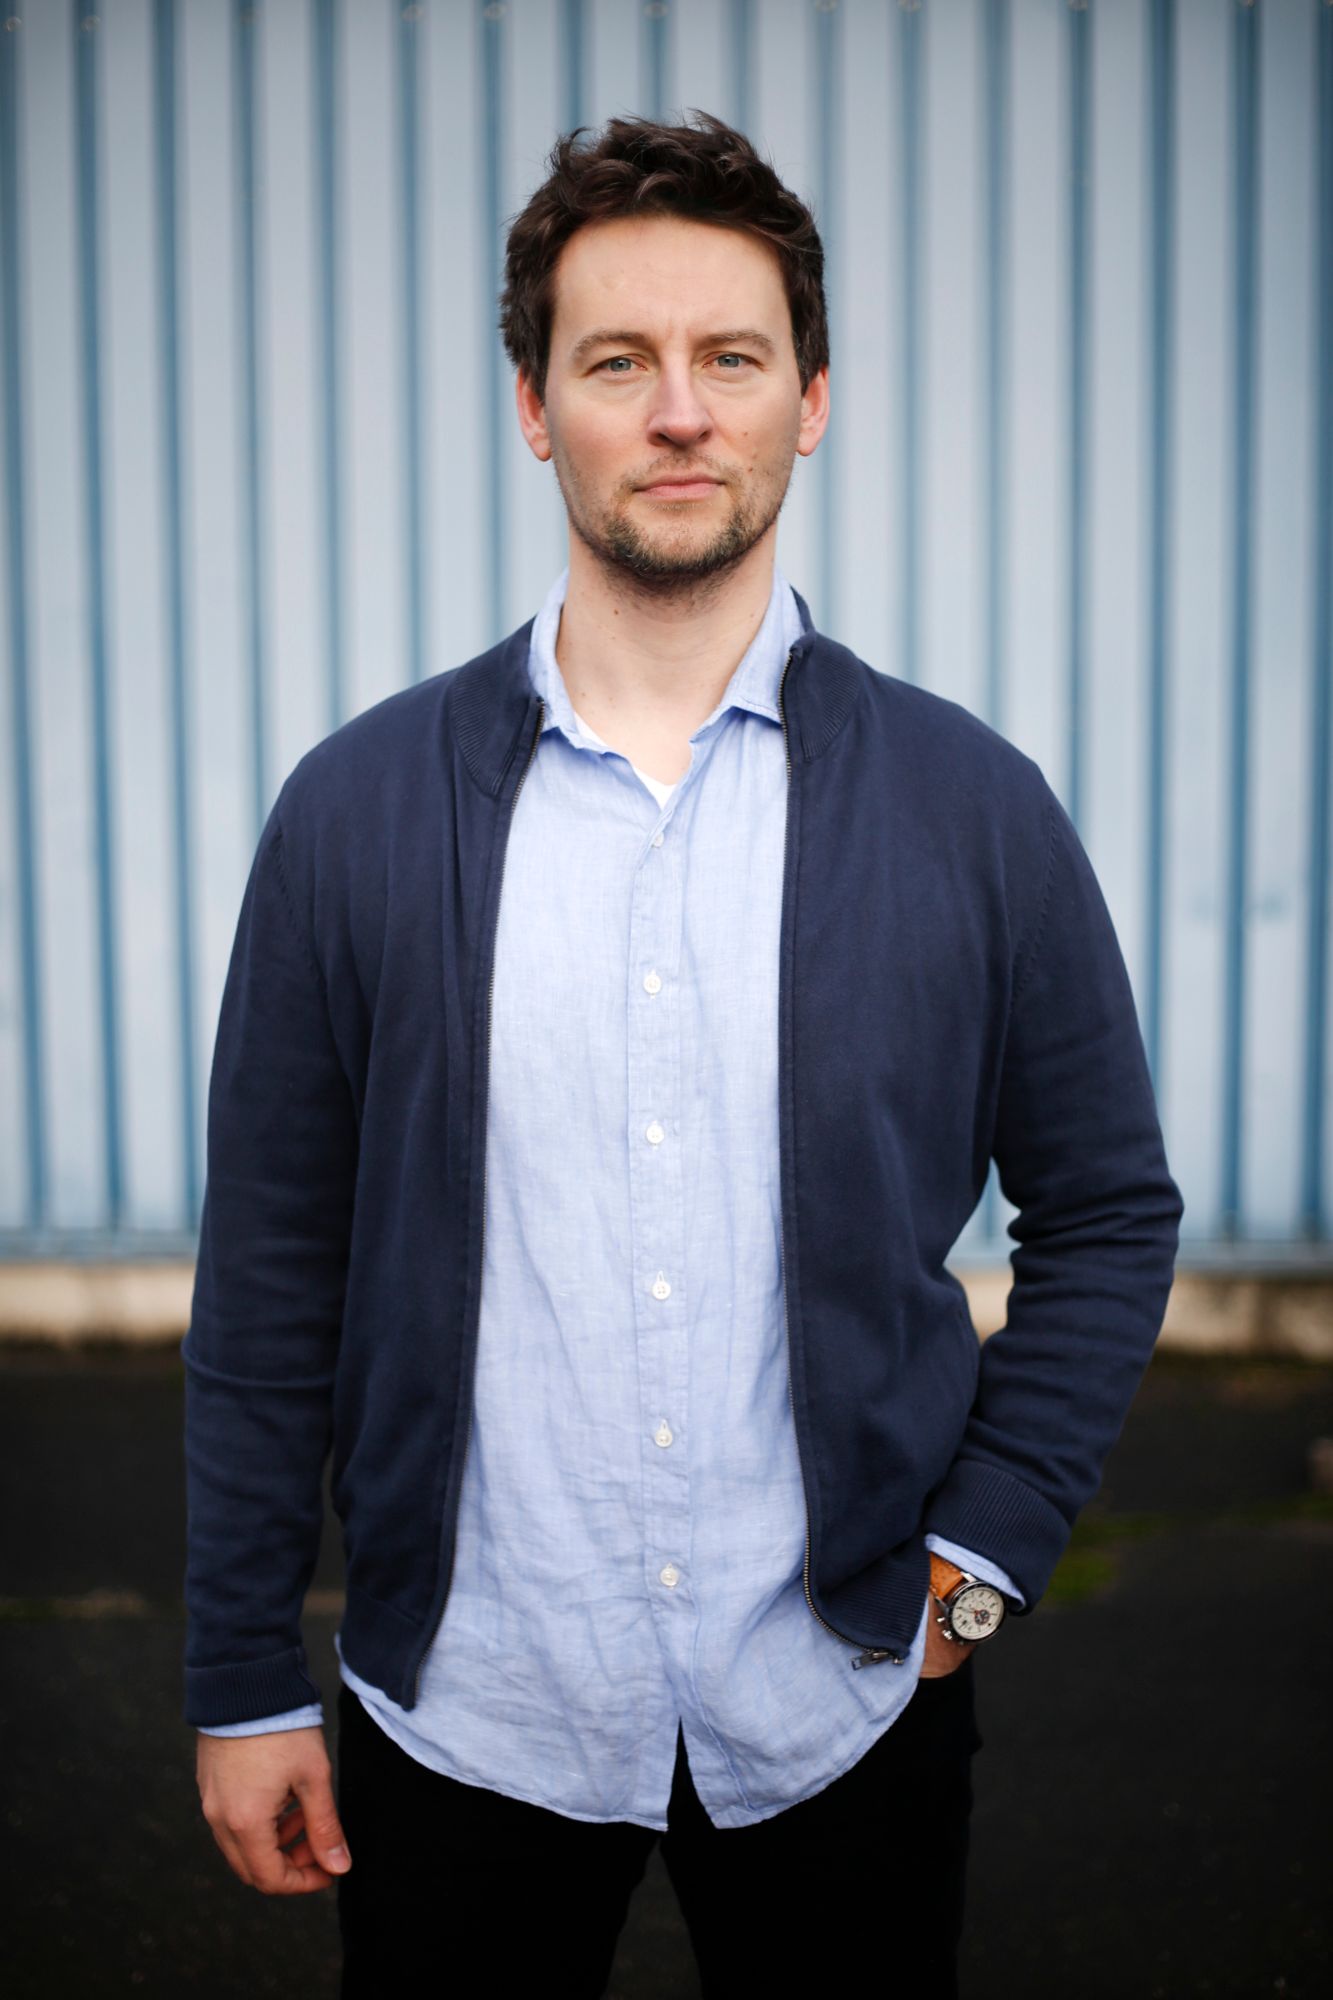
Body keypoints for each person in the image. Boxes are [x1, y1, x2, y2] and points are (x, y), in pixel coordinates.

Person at [186, 112, 1182, 1997]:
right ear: (532, 406)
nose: (675, 413)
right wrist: (242, 1674)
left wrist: (981, 1554)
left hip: (841, 1703)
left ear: (812, 400)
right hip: (471, 1710)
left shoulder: (971, 807)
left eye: (730, 357)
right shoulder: (357, 812)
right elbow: (268, 1270)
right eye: (614, 361)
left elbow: (1109, 1209)